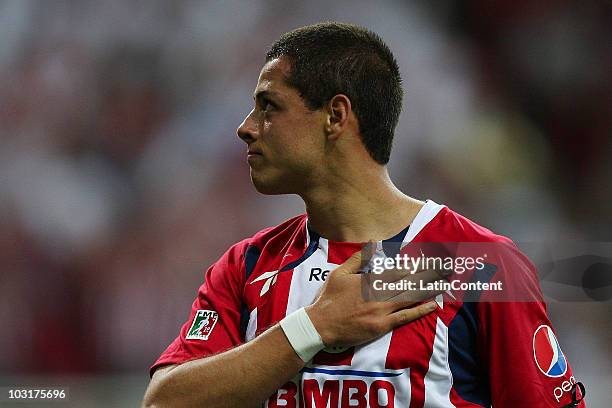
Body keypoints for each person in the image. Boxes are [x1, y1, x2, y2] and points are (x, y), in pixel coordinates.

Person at [142, 22, 585, 407]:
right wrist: (314, 327)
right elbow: (165, 401)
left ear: (335, 116)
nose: (246, 126)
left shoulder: (478, 264)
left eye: (269, 106)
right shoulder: (247, 267)